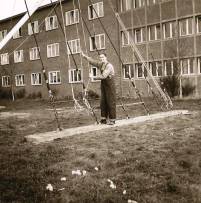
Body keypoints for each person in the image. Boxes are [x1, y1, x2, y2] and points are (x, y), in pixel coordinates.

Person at [81, 52, 116, 125]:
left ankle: (112, 120)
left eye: (103, 57)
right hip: (104, 85)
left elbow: (103, 76)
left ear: (106, 57)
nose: (101, 59)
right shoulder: (101, 64)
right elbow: (93, 62)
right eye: (100, 58)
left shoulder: (109, 66)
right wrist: (84, 56)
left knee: (110, 102)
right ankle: (103, 119)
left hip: (110, 86)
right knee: (103, 102)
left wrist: (93, 77)